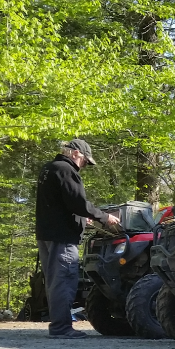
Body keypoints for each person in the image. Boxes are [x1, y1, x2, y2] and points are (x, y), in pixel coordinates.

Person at [34, 138, 119, 338]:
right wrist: (104, 217)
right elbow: (78, 203)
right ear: (75, 153)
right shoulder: (66, 170)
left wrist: (82, 219)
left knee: (54, 281)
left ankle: (58, 325)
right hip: (62, 237)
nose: (84, 166)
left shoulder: (49, 169)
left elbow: (59, 204)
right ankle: (61, 328)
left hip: (46, 234)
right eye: (85, 161)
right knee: (64, 280)